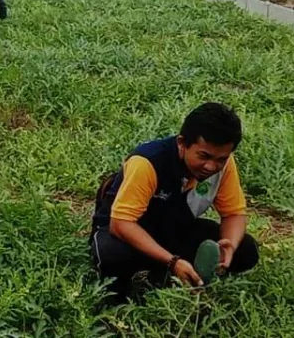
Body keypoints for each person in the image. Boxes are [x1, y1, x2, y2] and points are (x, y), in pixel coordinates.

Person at [90, 102, 259, 301]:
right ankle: (122, 293)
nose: (211, 166)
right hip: (129, 234)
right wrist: (172, 261)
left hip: (175, 229)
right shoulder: (147, 162)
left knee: (246, 249)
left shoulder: (224, 166)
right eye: (204, 156)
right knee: (113, 254)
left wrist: (229, 244)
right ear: (182, 143)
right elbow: (121, 224)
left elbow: (233, 213)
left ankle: (171, 275)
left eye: (221, 159)